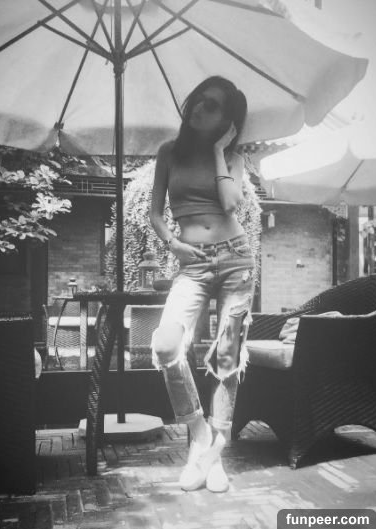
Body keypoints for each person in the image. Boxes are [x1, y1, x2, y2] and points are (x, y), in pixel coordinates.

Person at [149, 76, 255, 493]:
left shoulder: (233, 158)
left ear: (227, 120)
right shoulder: (168, 152)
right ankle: (199, 433)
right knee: (165, 344)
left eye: (212, 106)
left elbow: (230, 203)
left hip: (235, 260)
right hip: (192, 265)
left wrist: (217, 151)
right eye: (199, 100)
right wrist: (172, 244)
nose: (199, 107)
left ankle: (215, 457)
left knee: (227, 355)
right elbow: (156, 213)